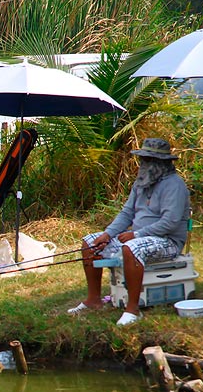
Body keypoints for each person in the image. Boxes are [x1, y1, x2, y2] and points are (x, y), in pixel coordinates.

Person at [68, 137, 191, 326]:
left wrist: (136, 234)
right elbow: (127, 213)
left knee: (132, 248)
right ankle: (94, 300)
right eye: (143, 159)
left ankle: (133, 310)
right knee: (90, 243)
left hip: (167, 241)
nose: (143, 164)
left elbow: (170, 222)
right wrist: (107, 234)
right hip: (139, 237)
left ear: (162, 163)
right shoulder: (141, 182)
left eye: (148, 160)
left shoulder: (174, 185)